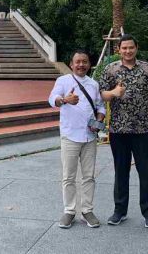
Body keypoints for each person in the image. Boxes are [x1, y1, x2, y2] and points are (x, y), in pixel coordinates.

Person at [100, 34, 148, 229]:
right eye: (124, 48)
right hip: (119, 130)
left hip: (142, 129)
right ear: (118, 49)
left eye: (131, 48)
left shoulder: (147, 69)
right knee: (121, 172)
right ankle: (120, 211)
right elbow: (101, 94)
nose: (128, 51)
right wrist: (113, 93)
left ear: (137, 48)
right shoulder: (110, 69)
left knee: (146, 172)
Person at [48, 49, 106, 229]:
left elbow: (101, 107)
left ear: (89, 64)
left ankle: (87, 210)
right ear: (71, 64)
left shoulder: (94, 84)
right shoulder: (63, 81)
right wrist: (65, 100)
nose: (81, 65)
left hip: (89, 137)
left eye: (84, 61)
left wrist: (98, 122)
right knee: (69, 176)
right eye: (77, 62)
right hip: (70, 136)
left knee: (89, 176)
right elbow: (52, 99)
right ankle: (69, 211)